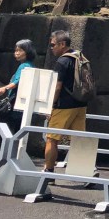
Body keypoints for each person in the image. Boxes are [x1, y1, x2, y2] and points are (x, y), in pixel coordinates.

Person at [43, 30, 88, 173]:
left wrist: (51, 105)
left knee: (52, 139)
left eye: (53, 45)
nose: (51, 48)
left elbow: (57, 87)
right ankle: (88, 171)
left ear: (62, 44)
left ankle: (49, 172)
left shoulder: (62, 62)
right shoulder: (79, 56)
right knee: (78, 139)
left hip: (63, 105)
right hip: (80, 103)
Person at [0, 39, 36, 129]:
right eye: (16, 50)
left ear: (28, 52)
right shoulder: (31, 65)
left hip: (16, 103)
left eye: (20, 50)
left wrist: (4, 88)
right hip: (24, 104)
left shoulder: (24, 66)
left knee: (8, 128)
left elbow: (17, 82)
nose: (17, 53)